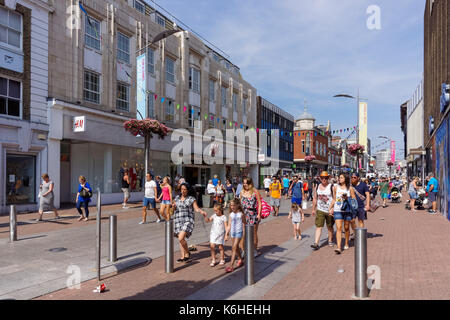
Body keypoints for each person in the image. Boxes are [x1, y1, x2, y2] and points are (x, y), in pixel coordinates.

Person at [172, 183, 207, 263]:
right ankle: (183, 256)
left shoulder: (191, 198)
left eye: (184, 189)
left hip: (188, 220)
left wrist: (201, 211)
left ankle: (187, 252)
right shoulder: (177, 198)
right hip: (178, 220)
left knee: (181, 238)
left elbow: (196, 208)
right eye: (182, 189)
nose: (183, 191)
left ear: (188, 190)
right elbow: (173, 209)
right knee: (181, 239)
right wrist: (173, 207)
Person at [332, 173, 357, 254]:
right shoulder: (335, 187)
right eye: (339, 177)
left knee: (346, 228)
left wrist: (347, 198)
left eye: (341, 177)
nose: (340, 179)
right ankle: (339, 247)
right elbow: (334, 199)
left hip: (347, 210)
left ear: (345, 179)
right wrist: (330, 208)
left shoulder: (350, 188)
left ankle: (346, 243)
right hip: (337, 210)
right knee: (339, 228)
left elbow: (354, 200)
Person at [311, 171, 335, 250]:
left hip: (329, 210)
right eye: (322, 178)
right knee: (319, 226)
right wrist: (313, 209)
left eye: (325, 178)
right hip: (320, 210)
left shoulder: (332, 187)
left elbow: (335, 199)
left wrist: (333, 208)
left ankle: (330, 240)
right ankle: (316, 243)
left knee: (330, 227)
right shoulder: (317, 186)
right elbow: (315, 198)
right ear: (320, 178)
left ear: (328, 178)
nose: (324, 179)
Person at [240, 177, 262, 257]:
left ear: (250, 183)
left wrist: (259, 214)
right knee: (243, 233)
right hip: (244, 214)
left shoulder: (255, 191)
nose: (245, 184)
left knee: (254, 233)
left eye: (246, 183)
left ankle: (254, 250)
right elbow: (240, 204)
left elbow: (259, 203)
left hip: (253, 214)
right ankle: (243, 250)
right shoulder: (242, 192)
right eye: (244, 183)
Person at [225, 198, 245, 273]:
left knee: (233, 247)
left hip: (239, 232)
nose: (232, 207)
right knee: (236, 248)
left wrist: (244, 233)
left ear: (237, 205)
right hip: (232, 233)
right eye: (231, 205)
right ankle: (240, 259)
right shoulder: (231, 214)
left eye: (233, 205)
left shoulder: (241, 214)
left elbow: (244, 223)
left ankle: (231, 266)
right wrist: (226, 234)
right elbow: (229, 225)